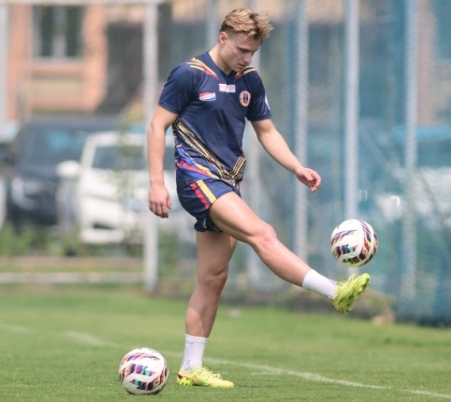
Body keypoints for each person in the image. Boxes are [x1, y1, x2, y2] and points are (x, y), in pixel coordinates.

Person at [147, 8, 370, 389]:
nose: (246, 57)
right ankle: (334, 291)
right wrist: (156, 183)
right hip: (198, 179)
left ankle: (190, 367)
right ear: (223, 37)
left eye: (252, 51)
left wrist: (296, 166)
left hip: (227, 182)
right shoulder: (190, 74)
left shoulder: (250, 80)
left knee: (213, 278)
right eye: (241, 49)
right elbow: (157, 125)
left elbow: (266, 131)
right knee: (262, 233)